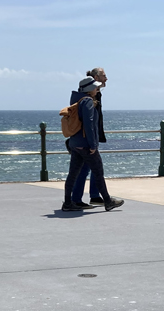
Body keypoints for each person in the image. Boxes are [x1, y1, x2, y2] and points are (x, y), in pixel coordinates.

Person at [62, 77, 124, 212]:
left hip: (74, 143)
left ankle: (67, 203)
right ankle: (108, 201)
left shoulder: (76, 100)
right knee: (98, 172)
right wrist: (93, 145)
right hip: (85, 144)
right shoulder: (88, 101)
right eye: (95, 87)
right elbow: (89, 125)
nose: (97, 89)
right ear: (89, 89)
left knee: (72, 174)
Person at [70, 68, 108, 207]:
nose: (106, 78)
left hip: (85, 138)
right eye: (104, 76)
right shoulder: (88, 97)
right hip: (87, 139)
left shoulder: (90, 94)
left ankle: (89, 196)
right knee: (88, 169)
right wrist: (93, 143)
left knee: (85, 169)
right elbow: (89, 121)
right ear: (96, 77)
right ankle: (81, 198)